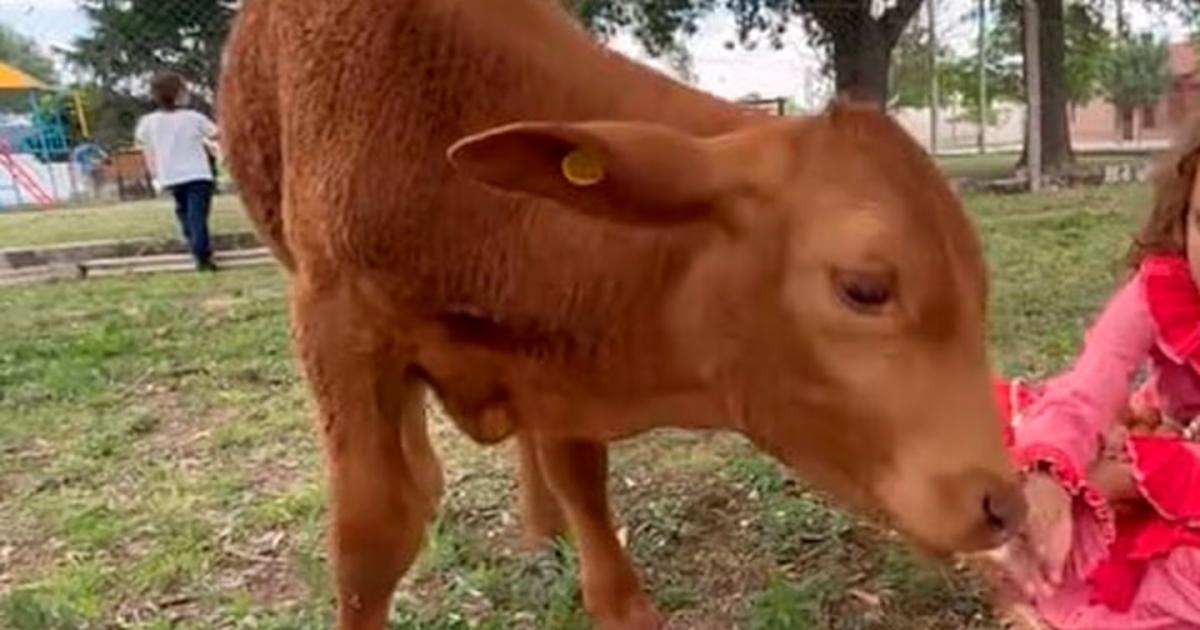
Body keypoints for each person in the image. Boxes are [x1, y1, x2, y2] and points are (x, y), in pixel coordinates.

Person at [992, 118, 1200, 629]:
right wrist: (1051, 477)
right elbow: (1091, 385)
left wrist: (1124, 479)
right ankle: (1030, 560)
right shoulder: (1163, 289)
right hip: (1164, 438)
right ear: (1182, 219)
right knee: (1022, 431)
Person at [135, 72, 220, 272]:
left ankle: (195, 245)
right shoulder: (194, 118)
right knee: (198, 215)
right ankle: (202, 255)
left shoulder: (148, 122)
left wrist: (154, 175)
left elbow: (147, 150)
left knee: (183, 212)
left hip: (171, 175)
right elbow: (216, 134)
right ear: (180, 94)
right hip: (198, 174)